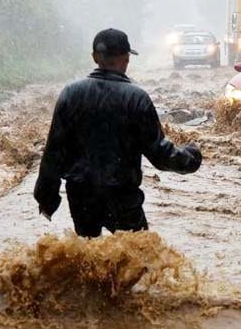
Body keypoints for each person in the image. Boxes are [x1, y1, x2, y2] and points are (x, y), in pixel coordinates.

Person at [34, 28, 202, 237]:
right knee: (136, 257)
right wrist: (192, 156)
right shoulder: (137, 98)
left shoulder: (70, 94)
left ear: (95, 57)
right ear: (126, 59)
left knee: (88, 257)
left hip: (81, 196)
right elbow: (160, 155)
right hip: (122, 196)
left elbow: (53, 152)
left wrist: (46, 199)